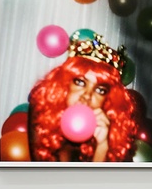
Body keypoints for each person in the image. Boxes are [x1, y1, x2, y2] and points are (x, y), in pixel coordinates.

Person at [27, 32, 139, 162]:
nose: (87, 96)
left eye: (100, 90)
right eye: (80, 82)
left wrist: (103, 147)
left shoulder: (115, 130)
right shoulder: (41, 111)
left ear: (108, 99)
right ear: (64, 85)